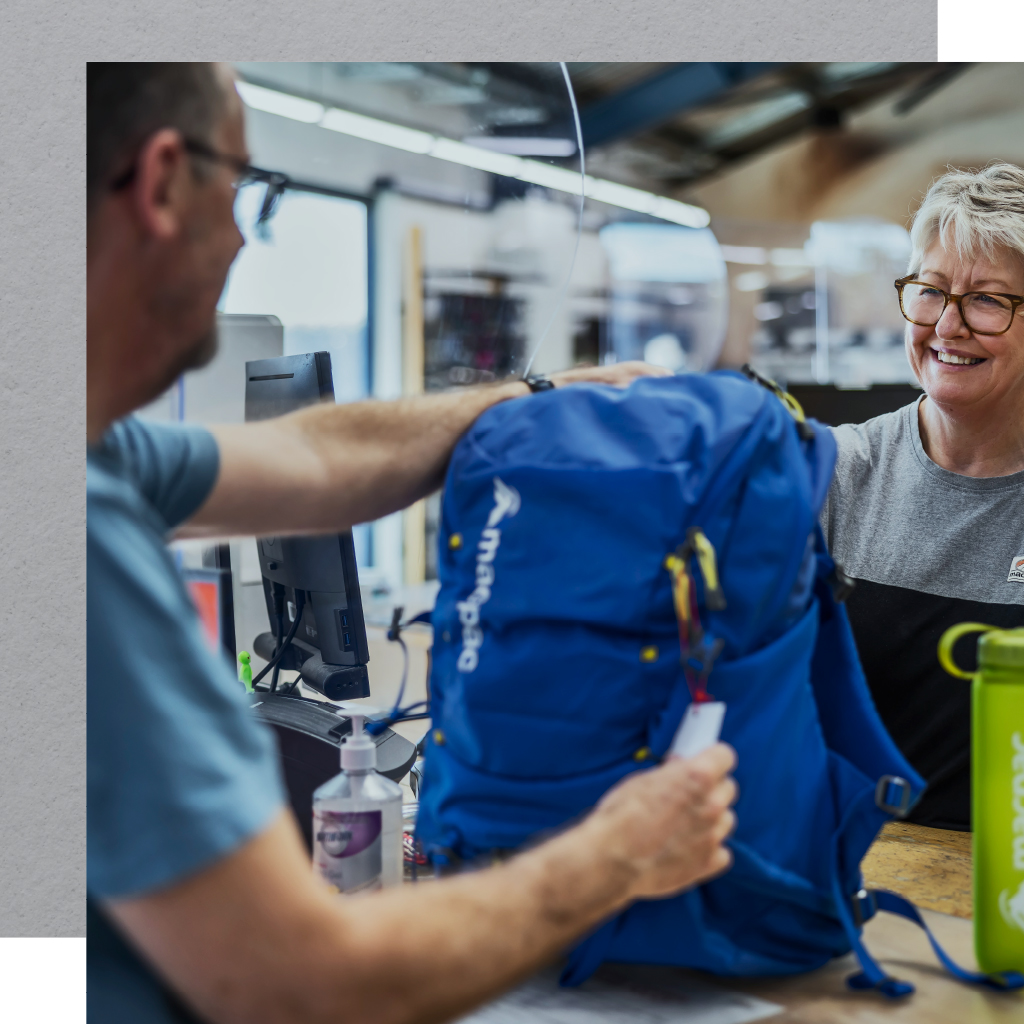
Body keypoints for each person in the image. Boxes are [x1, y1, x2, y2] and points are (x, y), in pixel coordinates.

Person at [87, 63, 738, 1024]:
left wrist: (540, 401)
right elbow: (313, 984)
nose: (238, 233)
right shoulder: (84, 544)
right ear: (162, 179)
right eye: (243, 188)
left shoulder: (79, 447)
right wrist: (617, 855)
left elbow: (309, 458)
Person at [821, 163, 1024, 832]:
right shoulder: (837, 476)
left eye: (989, 299)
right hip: (856, 877)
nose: (948, 324)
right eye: (930, 290)